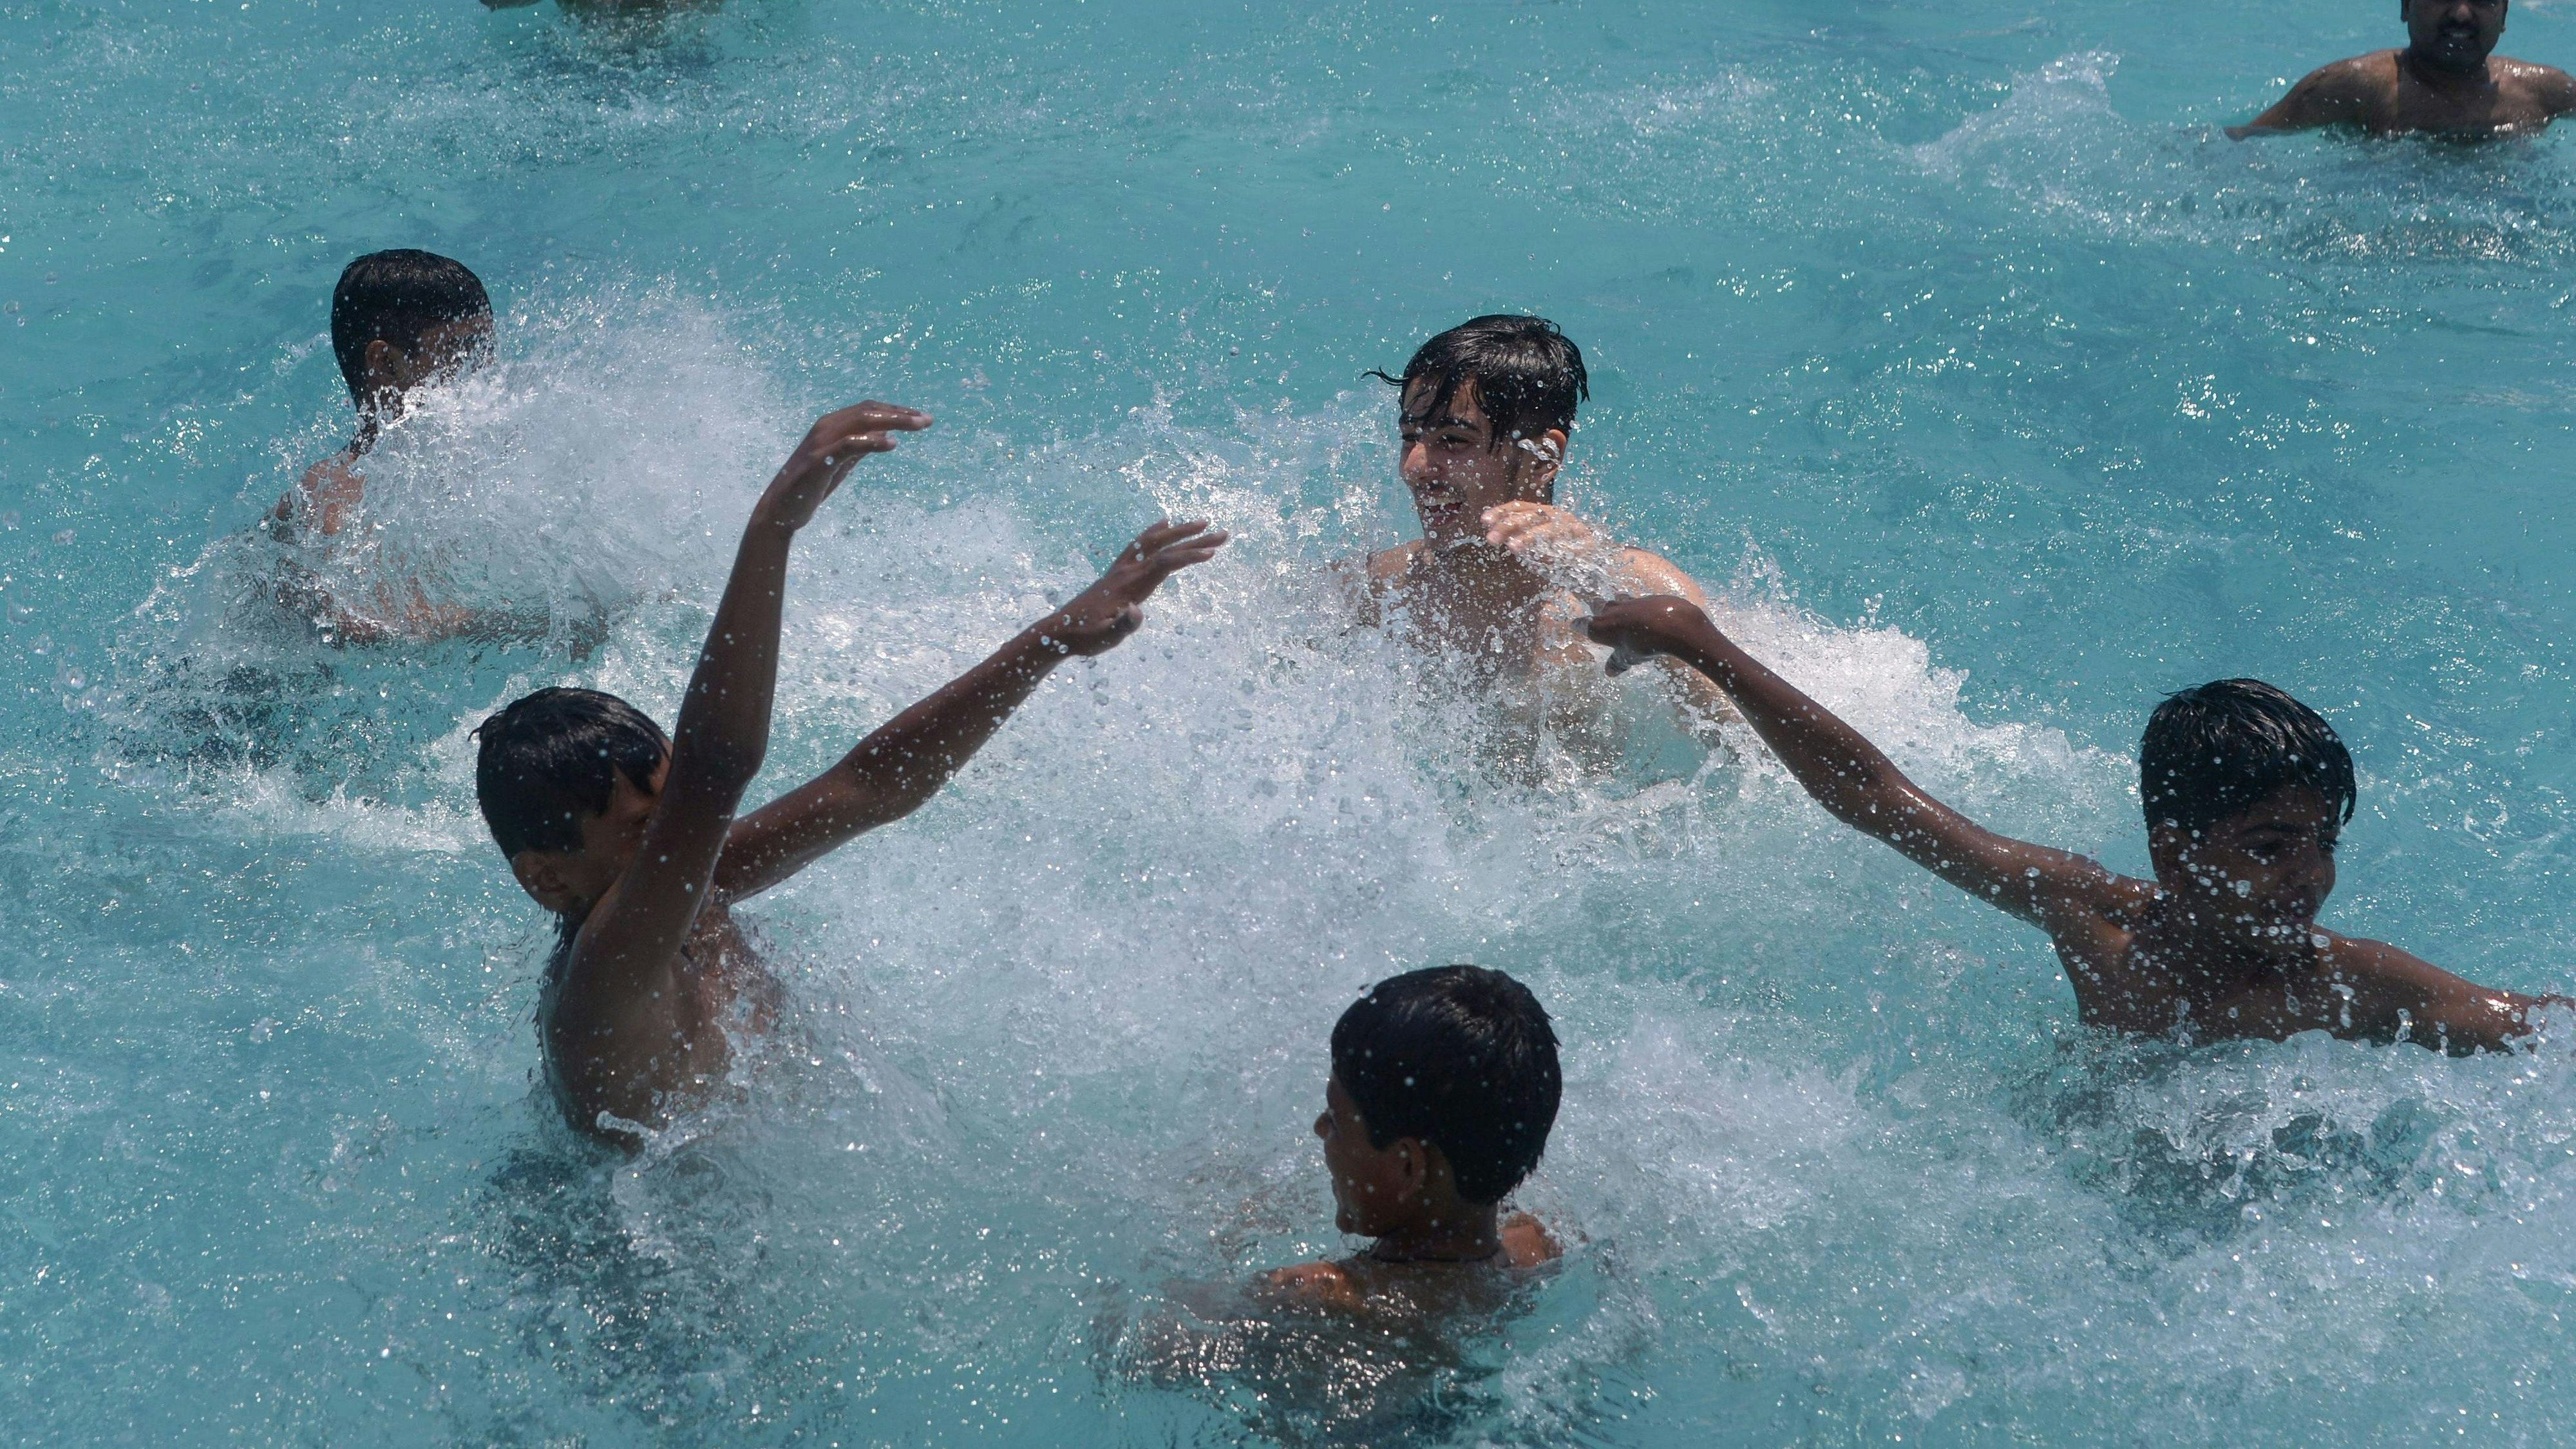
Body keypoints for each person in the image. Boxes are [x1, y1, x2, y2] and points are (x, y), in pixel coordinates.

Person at [472, 401, 1227, 1141]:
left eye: (672, 811)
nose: (687, 837)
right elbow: (713, 775)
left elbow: (871, 786)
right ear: (546, 878)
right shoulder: (602, 982)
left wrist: (1047, 643)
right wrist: (773, 530)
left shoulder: (701, 889)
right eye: (648, 829)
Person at [1581, 596, 2570, 1052]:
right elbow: (1878, 798)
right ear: (2173, 852)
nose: (2310, 880)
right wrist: (1703, 646)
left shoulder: (2345, 983)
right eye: (2270, 847)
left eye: (2325, 845)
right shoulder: (2095, 921)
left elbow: (2530, 1028)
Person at [1346, 316, 1737, 770]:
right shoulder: (1388, 588)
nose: (1415, 468)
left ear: (1543, 458)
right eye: (1410, 437)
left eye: (1453, 441)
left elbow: (1745, 753)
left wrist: (1600, 582)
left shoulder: (1643, 592)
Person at [1265, 965, 1563, 1314]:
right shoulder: (1538, 1245)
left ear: (1407, 1166)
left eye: (1334, 1119)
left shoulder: (1318, 1296)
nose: (1320, 1128)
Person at [269, 250, 501, 643]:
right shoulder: (332, 490)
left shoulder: (492, 465)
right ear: (386, 364)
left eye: (488, 348)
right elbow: (368, 624)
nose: (486, 371)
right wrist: (522, 626)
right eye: (464, 351)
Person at [2229, 0, 2576, 138]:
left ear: (2504, 17)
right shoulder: (2354, 87)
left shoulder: (2547, 93)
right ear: (2406, 6)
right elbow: (2244, 141)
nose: (2461, 14)